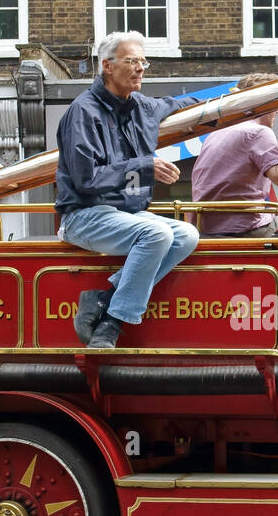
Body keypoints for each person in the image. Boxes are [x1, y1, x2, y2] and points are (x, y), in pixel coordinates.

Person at [55, 31, 200, 348]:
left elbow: (179, 104)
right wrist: (145, 167)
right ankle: (113, 324)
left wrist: (225, 106)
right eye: (132, 61)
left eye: (143, 61)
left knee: (188, 234)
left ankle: (104, 300)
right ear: (107, 65)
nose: (141, 68)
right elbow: (86, 180)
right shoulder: (82, 112)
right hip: (83, 215)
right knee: (157, 235)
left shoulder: (143, 108)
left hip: (128, 216)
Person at [191, 73, 278, 236]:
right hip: (244, 227)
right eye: (276, 104)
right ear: (264, 104)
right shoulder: (259, 132)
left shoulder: (216, 133)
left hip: (206, 227)